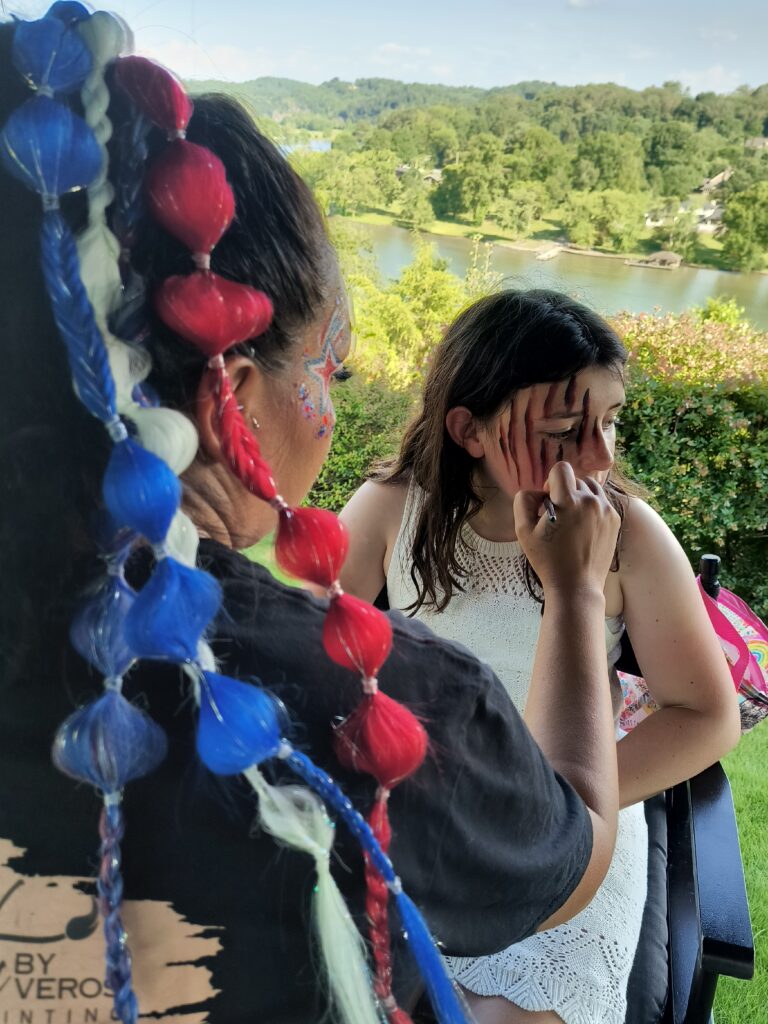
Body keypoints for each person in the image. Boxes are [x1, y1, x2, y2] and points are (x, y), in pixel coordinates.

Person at [1, 12, 621, 1024]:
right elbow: (578, 853)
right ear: (230, 400)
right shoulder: (381, 711)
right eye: (331, 369)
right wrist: (580, 592)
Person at [340, 289, 741, 1024]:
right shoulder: (394, 509)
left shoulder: (626, 534)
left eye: (610, 421)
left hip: (580, 818)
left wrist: (559, 808)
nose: (601, 454)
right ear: (469, 429)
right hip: (428, 807)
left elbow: (707, 714)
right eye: (565, 430)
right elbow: (315, 653)